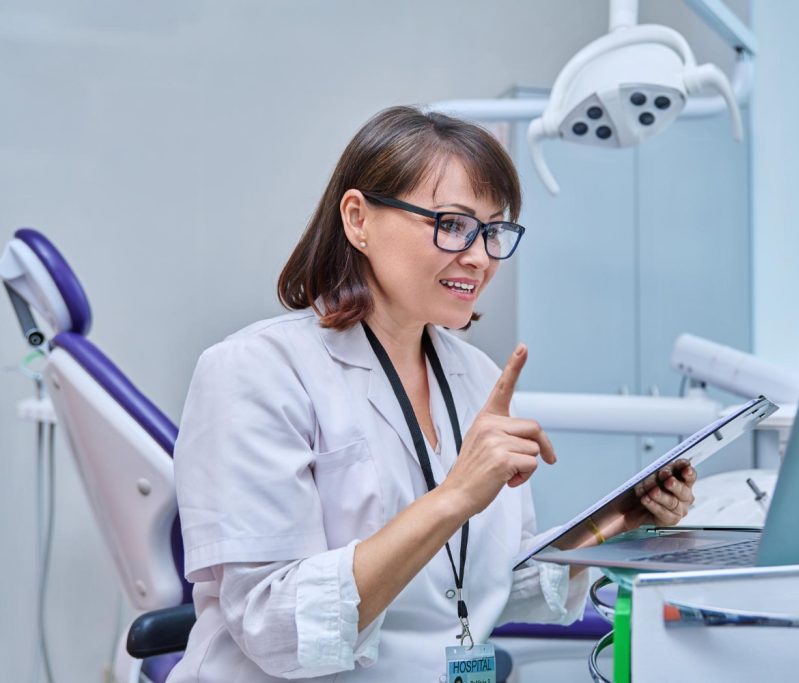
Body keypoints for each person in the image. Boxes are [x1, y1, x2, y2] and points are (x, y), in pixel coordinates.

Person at [168, 106, 697, 682]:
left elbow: (483, 587)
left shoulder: (472, 375)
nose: (478, 255)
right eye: (451, 223)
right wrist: (454, 497)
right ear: (358, 219)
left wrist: (617, 524)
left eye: (494, 230)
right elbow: (278, 630)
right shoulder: (256, 371)